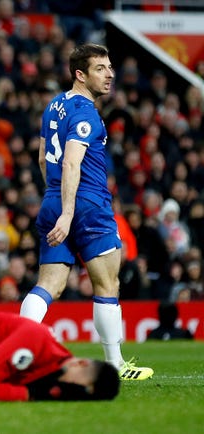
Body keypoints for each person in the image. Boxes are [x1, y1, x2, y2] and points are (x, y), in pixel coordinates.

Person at [18, 44, 153, 381]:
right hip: (87, 204)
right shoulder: (85, 113)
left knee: (49, 285)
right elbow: (72, 161)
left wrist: (56, 202)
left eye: (109, 67)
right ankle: (115, 364)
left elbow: (41, 159)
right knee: (107, 284)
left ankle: (14, 347)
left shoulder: (53, 105)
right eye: (100, 69)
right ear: (80, 74)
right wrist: (68, 212)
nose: (109, 74)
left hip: (52, 198)